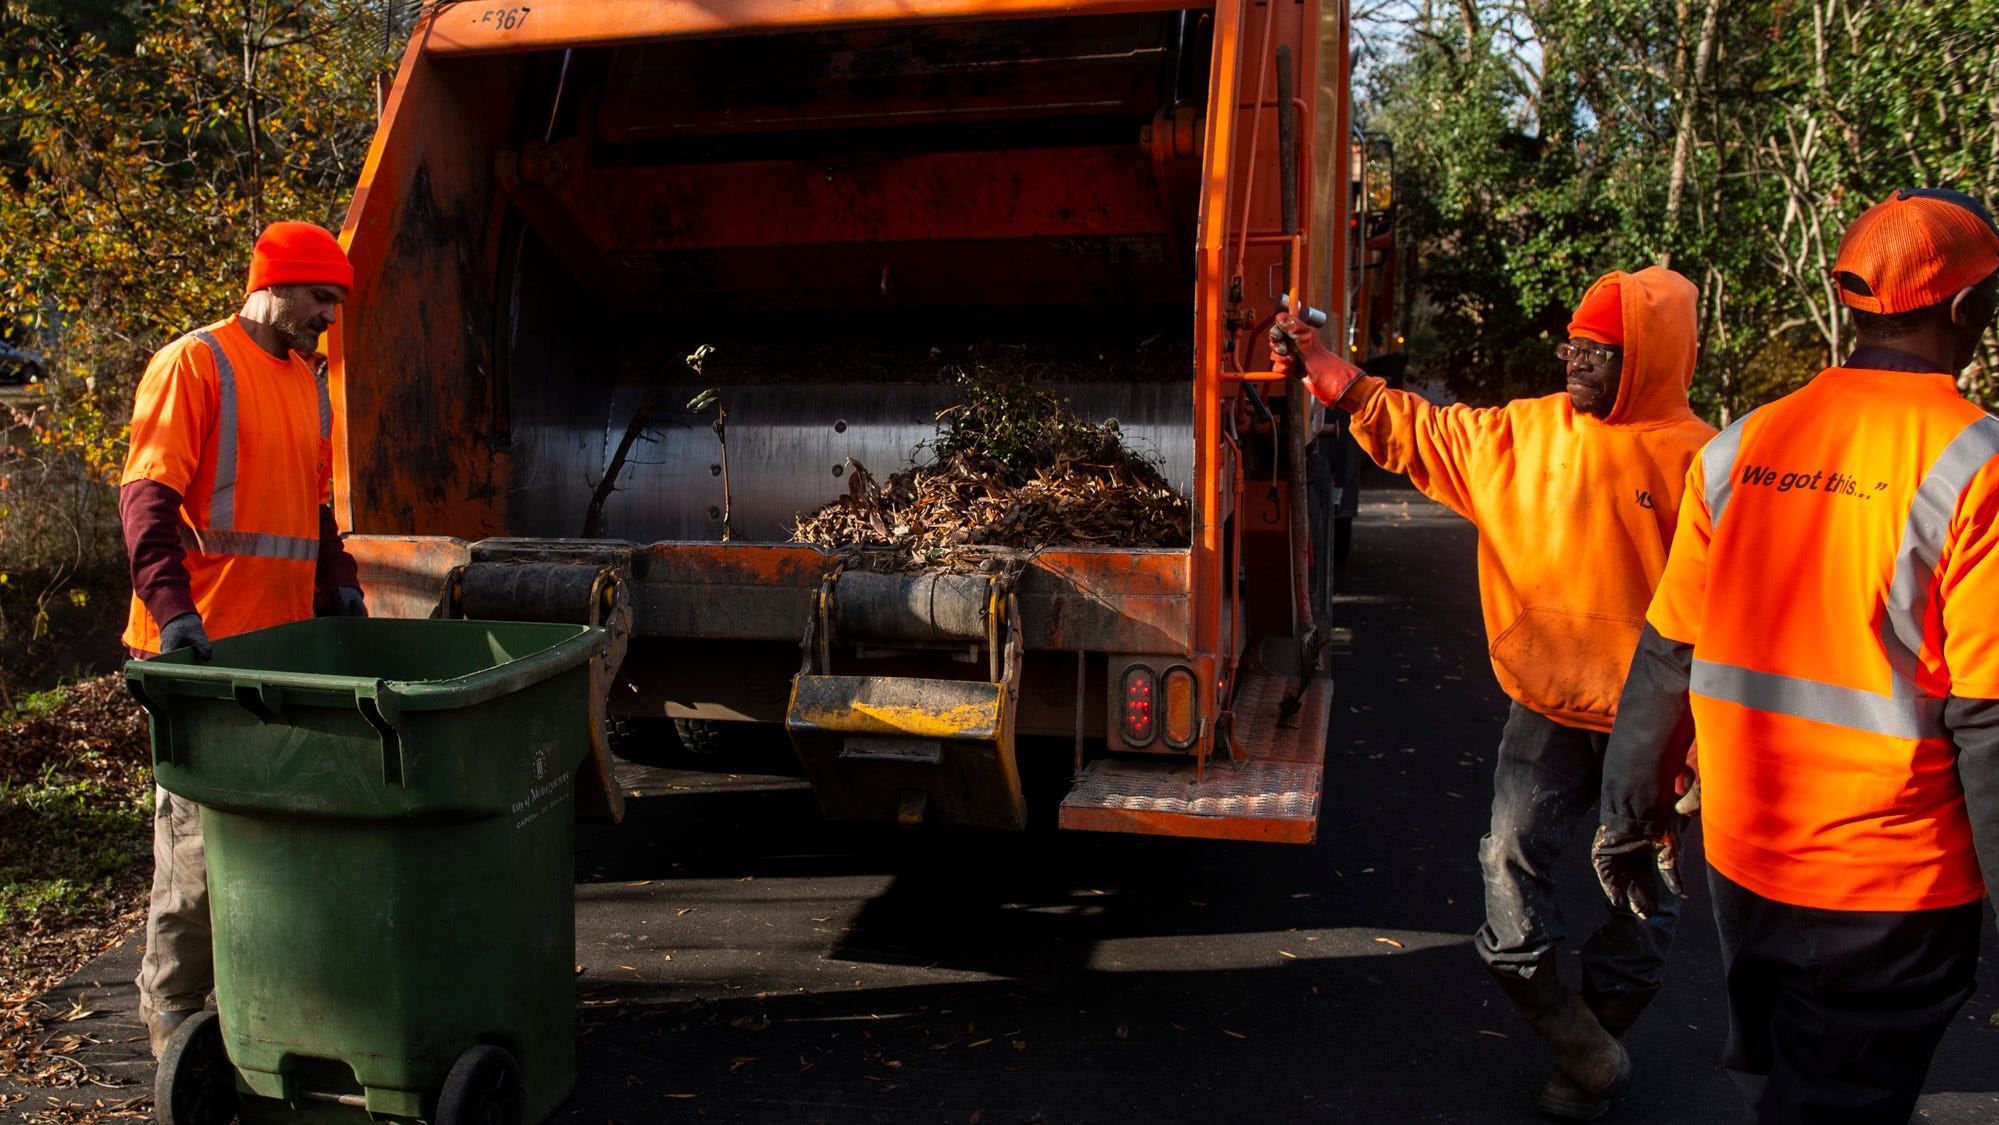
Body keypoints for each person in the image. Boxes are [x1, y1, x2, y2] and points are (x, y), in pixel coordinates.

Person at [1274, 267, 1716, 1120]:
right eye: (1572, 346)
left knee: (1641, 894)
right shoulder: (1524, 434)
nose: (1575, 362)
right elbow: (1420, 428)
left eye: (1599, 351)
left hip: (1656, 724)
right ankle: (1566, 1027)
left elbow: (1736, 612)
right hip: (1544, 702)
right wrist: (1326, 368)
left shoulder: (1699, 460)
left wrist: (1704, 741)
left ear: (1652, 359)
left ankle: (1590, 1050)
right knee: (1507, 858)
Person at [1596, 189, 1999, 1124]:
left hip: (1747, 861)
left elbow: (1669, 653)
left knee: (1780, 1080)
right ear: (1967, 308)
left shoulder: (1742, 444)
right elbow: (1989, 721)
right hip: (1889, 890)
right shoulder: (1976, 466)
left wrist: (1626, 817)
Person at [121, 221, 368, 1058]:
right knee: (198, 849)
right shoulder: (195, 363)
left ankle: (256, 1013)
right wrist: (173, 612)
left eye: (336, 301)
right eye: (320, 297)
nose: (329, 316)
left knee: (275, 841)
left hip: (278, 651)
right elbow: (146, 500)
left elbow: (313, 505)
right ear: (273, 285)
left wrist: (339, 581)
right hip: (197, 654)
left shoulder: (307, 383)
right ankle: (172, 1017)